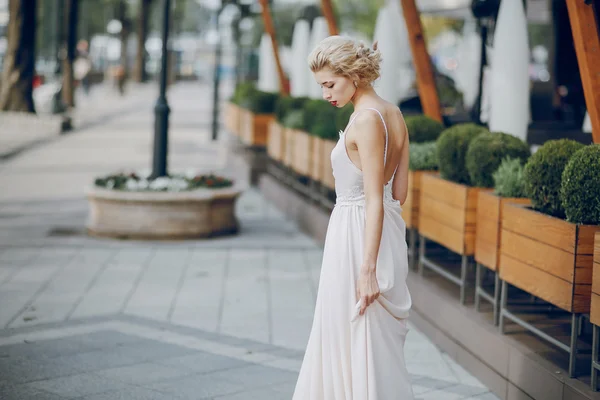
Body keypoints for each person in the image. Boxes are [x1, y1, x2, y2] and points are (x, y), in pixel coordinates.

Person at [292, 36, 414, 400]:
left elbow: (376, 198)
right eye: (322, 86)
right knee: (368, 343)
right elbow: (400, 193)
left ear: (354, 74)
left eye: (330, 84)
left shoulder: (365, 120)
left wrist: (366, 269)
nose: (326, 94)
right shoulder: (395, 114)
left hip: (358, 240)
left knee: (350, 338)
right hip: (385, 234)